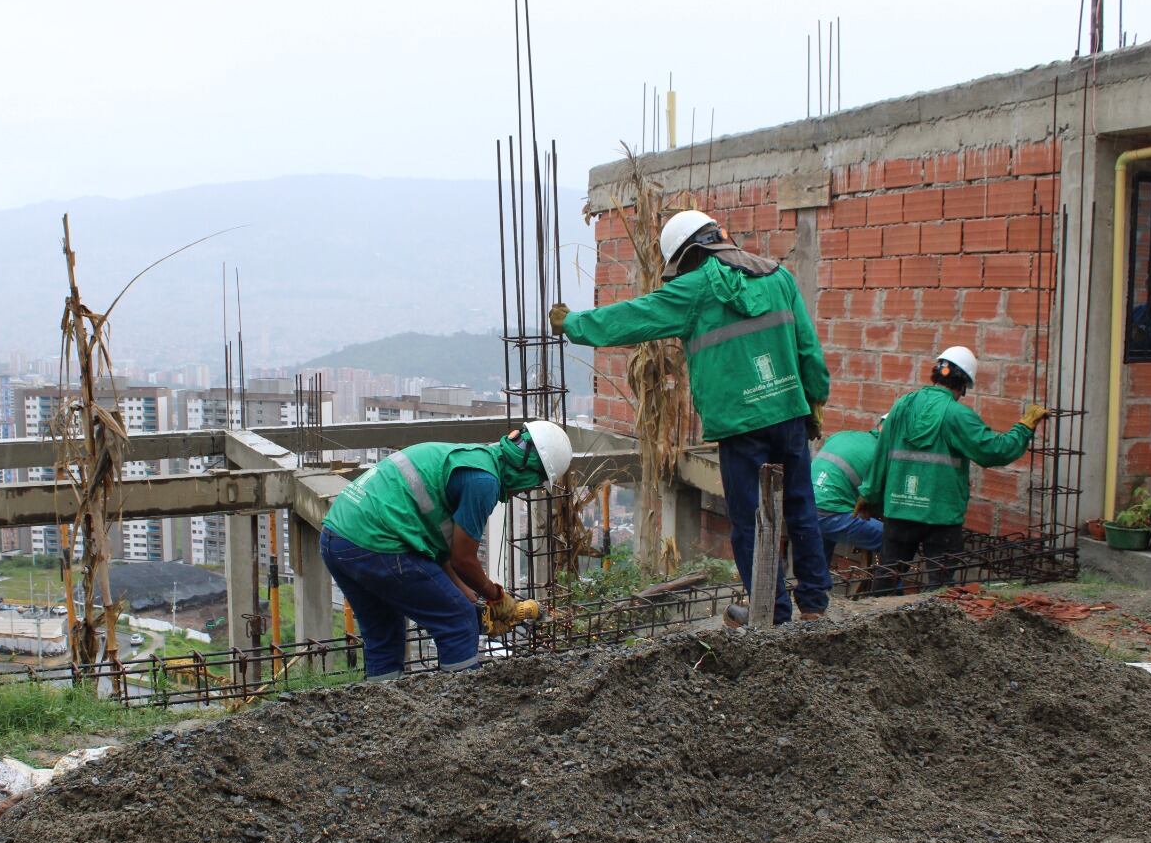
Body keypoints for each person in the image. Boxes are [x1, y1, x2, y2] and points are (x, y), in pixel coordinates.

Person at [552, 209, 832, 626]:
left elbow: (631, 318)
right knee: (801, 506)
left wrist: (574, 323)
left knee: (749, 521)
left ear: (688, 256)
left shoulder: (694, 289)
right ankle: (814, 604)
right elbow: (808, 349)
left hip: (739, 426)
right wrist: (815, 399)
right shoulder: (779, 278)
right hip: (789, 413)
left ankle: (771, 613)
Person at [320, 421, 573, 681]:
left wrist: (468, 595)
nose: (528, 490)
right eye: (536, 483)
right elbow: (463, 560)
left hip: (338, 539)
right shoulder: (483, 481)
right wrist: (497, 597)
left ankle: (381, 702)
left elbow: (442, 553)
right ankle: (463, 701)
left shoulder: (473, 459)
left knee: (383, 633)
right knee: (459, 622)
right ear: (528, 470)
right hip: (375, 541)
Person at [855, 346, 1049, 590]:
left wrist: (868, 495)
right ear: (964, 385)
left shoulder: (901, 406)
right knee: (940, 587)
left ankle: (878, 614)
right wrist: (1024, 426)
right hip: (941, 516)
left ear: (936, 374)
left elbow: (881, 454)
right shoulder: (957, 414)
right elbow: (993, 451)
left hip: (900, 510)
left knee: (886, 578)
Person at [812, 420, 884, 564]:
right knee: (892, 541)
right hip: (830, 513)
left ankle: (816, 578)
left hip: (806, 508)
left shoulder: (843, 435)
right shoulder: (883, 453)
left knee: (817, 568)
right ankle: (888, 580)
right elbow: (881, 503)